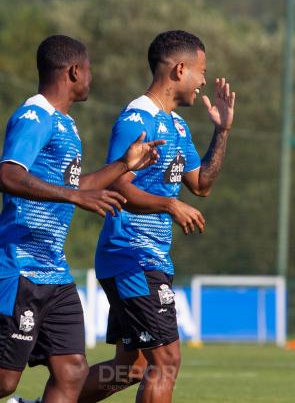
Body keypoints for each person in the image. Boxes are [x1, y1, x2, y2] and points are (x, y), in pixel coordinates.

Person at [0, 35, 164, 403]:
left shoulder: (67, 126)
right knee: (2, 382)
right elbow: (8, 175)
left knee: (72, 371)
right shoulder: (34, 116)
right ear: (74, 72)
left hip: (54, 273)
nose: (91, 77)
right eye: (88, 70)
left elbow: (75, 185)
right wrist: (76, 195)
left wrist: (123, 165)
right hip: (16, 268)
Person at [78, 30, 235, 403]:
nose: (203, 81)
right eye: (201, 71)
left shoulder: (178, 126)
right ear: (180, 69)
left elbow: (202, 185)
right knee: (166, 360)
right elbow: (117, 185)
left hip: (148, 257)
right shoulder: (137, 119)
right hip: (131, 255)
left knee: (130, 367)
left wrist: (222, 131)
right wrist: (169, 204)